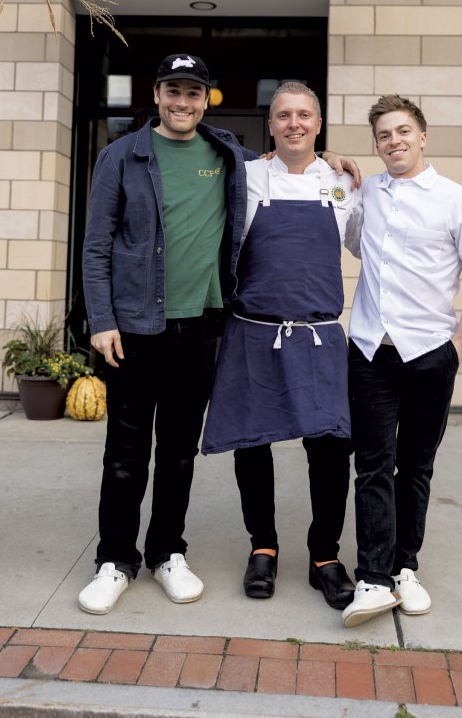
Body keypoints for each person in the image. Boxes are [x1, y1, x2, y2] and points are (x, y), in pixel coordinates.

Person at [79, 57, 356, 616]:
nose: (183, 102)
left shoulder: (240, 158)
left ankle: (167, 553)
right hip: (141, 326)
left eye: (193, 93)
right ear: (156, 94)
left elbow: (311, 182)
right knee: (126, 452)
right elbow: (96, 245)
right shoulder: (131, 157)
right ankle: (116, 559)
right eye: (173, 91)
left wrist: (334, 161)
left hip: (210, 325)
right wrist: (101, 319)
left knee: (181, 452)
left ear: (207, 101)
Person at [342, 94, 462, 629]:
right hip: (369, 351)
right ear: (378, 144)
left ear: (423, 136)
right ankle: (372, 577)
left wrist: (457, 347)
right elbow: (352, 241)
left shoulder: (457, 201)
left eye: (403, 131)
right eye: (385, 134)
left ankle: (404, 566)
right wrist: (341, 180)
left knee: (415, 466)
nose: (395, 141)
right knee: (371, 465)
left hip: (430, 355)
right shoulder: (368, 196)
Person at [202, 82, 360, 612]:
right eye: (284, 115)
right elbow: (200, 140)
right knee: (253, 444)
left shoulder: (344, 184)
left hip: (319, 336)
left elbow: (372, 247)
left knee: (331, 450)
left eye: (305, 115)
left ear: (319, 124)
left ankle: (324, 557)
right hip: (253, 331)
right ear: (269, 127)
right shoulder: (243, 177)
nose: (295, 123)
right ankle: (262, 546)